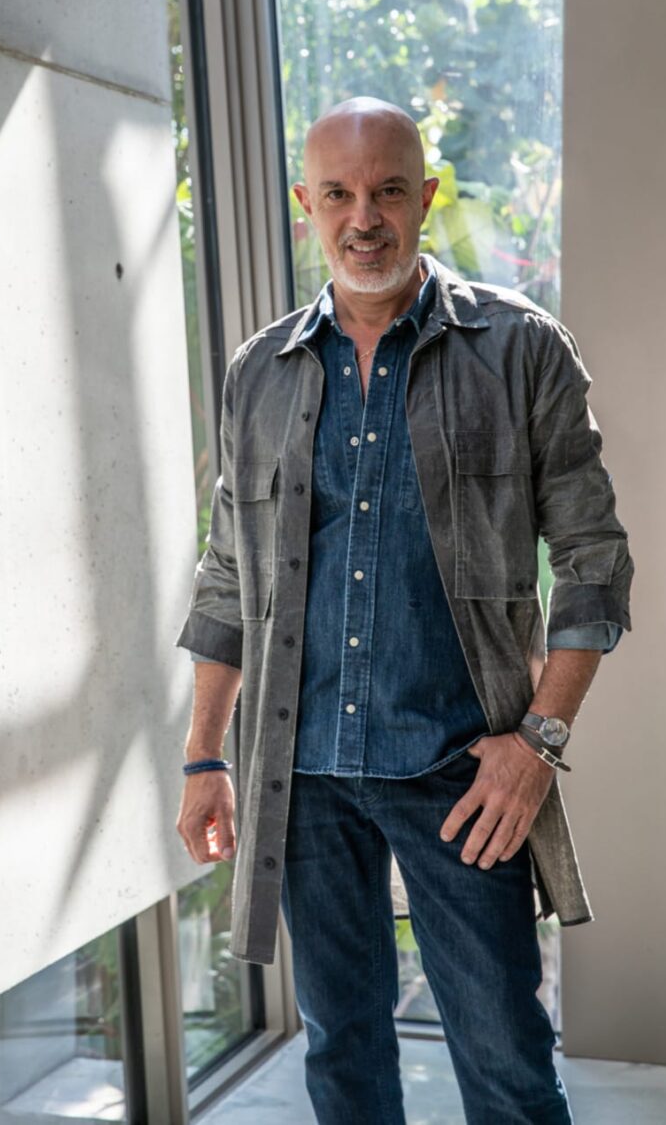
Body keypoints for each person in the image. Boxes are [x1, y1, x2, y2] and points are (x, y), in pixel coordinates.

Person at [175, 96, 633, 1124]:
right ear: (306, 205)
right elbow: (224, 582)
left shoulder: (521, 351)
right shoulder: (259, 372)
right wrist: (206, 756)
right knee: (342, 1058)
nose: (363, 217)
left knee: (507, 1064)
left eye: (387, 190)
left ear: (425, 198)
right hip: (303, 777)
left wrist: (538, 740)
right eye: (337, 194)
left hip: (459, 772)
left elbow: (597, 563)